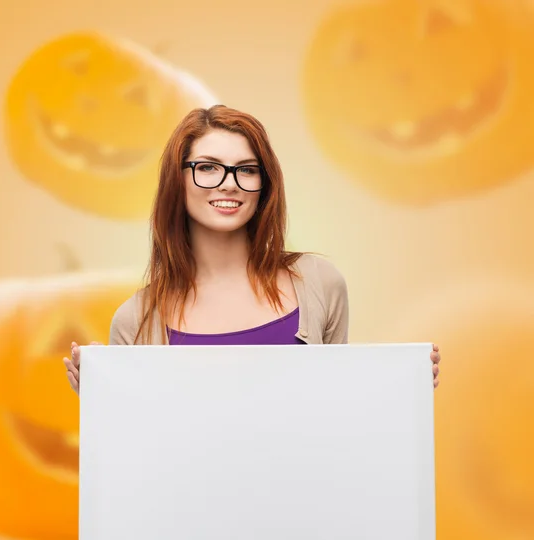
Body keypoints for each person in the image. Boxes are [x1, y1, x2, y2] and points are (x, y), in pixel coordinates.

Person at [64, 105, 441, 394]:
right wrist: (103, 398)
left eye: (246, 169)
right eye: (208, 167)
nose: (229, 184)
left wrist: (401, 387)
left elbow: (336, 416)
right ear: (176, 180)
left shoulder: (318, 284)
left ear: (264, 184)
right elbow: (140, 451)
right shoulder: (136, 320)